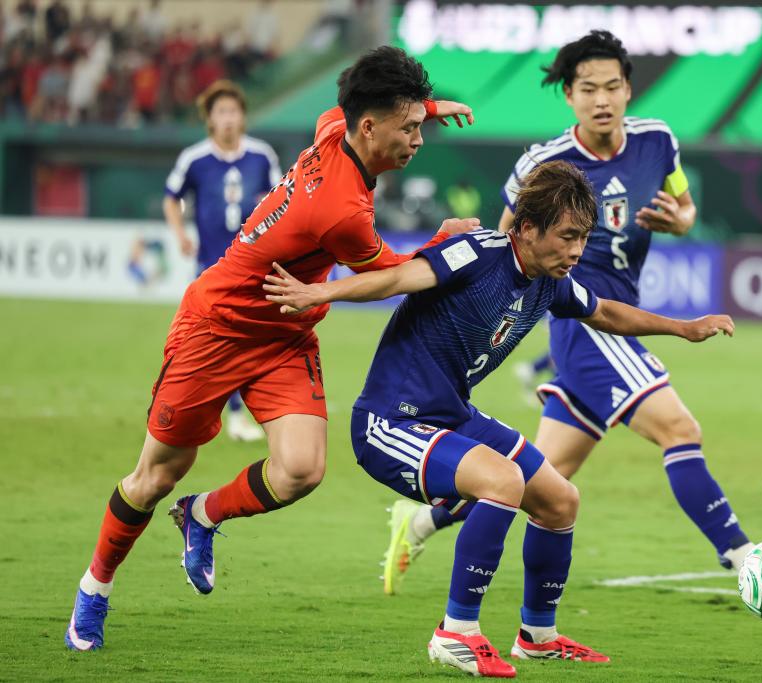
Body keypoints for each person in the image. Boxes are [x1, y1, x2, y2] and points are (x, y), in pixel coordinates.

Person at [64, 45, 475, 652]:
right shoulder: (339, 210)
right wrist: (441, 241)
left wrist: (430, 107)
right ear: (370, 127)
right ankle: (93, 588)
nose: (419, 138)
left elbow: (339, 113)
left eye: (420, 124)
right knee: (155, 476)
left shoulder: (335, 128)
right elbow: (390, 275)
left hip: (283, 331)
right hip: (215, 329)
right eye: (410, 127)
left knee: (301, 470)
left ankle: (202, 515)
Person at [263, 160, 736, 676]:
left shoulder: (551, 280)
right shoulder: (476, 253)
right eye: (568, 236)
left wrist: (683, 328)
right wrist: (320, 292)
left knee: (560, 501)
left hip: (451, 416)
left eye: (584, 238)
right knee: (503, 481)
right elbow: (399, 277)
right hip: (390, 423)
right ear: (527, 229)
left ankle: (538, 636)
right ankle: (456, 632)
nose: (578, 250)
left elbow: (604, 311)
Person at [382, 30, 762, 597]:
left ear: (629, 89)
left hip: (619, 312)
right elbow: (506, 243)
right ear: (569, 95)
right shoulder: (543, 163)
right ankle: (746, 559)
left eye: (612, 86)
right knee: (680, 428)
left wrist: (680, 222)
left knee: (542, 480)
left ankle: (418, 522)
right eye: (588, 88)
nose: (601, 99)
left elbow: (685, 207)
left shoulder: (658, 142)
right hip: (585, 321)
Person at [163, 79, 280, 442]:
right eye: (221, 112)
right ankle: (202, 412)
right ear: (210, 119)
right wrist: (180, 234)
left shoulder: (262, 155)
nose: (228, 118)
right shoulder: (194, 158)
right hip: (211, 267)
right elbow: (171, 197)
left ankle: (241, 415)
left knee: (251, 340)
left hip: (255, 266)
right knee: (211, 342)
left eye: (233, 111)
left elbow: (281, 200)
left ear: (243, 117)